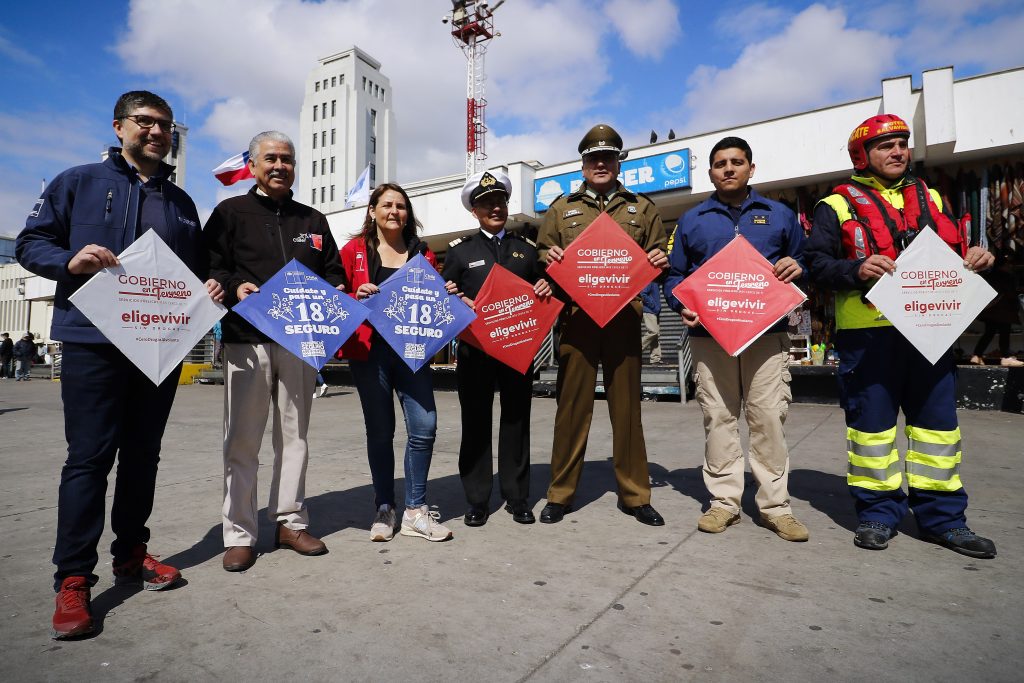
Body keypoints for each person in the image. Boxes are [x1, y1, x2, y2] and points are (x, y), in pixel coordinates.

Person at [16, 90, 224, 639]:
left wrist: (209, 284)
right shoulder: (78, 182)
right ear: (119, 127)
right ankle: (74, 578)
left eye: (165, 126)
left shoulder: (181, 203)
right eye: (145, 122)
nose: (156, 132)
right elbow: (30, 243)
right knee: (88, 458)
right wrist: (68, 261)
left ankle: (131, 552)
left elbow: (196, 269)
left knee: (143, 455)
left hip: (158, 344)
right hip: (92, 340)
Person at [805, 114, 997, 558]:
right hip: (869, 339)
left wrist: (975, 257)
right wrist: (855, 268)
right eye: (884, 146)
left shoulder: (931, 197)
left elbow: (953, 254)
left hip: (931, 329)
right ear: (863, 155)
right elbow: (815, 264)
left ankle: (944, 521)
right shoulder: (834, 205)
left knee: (938, 432)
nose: (896, 152)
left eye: (901, 144)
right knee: (871, 433)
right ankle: (877, 513)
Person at [206, 131, 344, 572]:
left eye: (287, 158)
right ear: (253, 163)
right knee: (242, 440)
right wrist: (232, 287)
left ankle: (289, 521)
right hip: (248, 339)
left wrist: (338, 289)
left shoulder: (313, 220)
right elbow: (210, 267)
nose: (280, 165)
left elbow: (334, 271)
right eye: (271, 158)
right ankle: (240, 534)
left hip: (301, 341)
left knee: (295, 437)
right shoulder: (231, 212)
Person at [663, 136, 809, 542]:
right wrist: (681, 306)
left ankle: (776, 507)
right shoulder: (692, 220)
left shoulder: (779, 215)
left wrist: (796, 266)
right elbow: (674, 277)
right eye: (720, 163)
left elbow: (805, 262)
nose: (728, 168)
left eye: (737, 162)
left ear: (751, 168)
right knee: (719, 416)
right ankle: (724, 503)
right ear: (710, 172)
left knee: (767, 418)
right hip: (710, 336)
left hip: (767, 335)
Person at [536, 124, 668, 526]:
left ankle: (635, 494)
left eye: (608, 157)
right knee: (571, 409)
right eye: (593, 158)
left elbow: (657, 254)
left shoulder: (641, 208)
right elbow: (543, 252)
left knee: (627, 411)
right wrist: (549, 256)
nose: (600, 164)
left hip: (624, 320)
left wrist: (660, 261)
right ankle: (560, 493)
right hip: (577, 321)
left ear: (617, 162)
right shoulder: (561, 209)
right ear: (583, 163)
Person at [338, 183, 452, 542]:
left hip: (411, 351)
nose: (394, 211)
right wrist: (355, 294)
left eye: (401, 206)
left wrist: (446, 294)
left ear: (408, 214)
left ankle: (416, 510)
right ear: (372, 211)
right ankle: (385, 508)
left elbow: (432, 302)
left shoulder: (423, 253)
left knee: (425, 425)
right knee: (380, 430)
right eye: (386, 205)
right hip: (370, 353)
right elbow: (335, 294)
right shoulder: (353, 250)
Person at [442, 170, 552, 527]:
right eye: (487, 203)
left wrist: (544, 288)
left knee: (516, 421)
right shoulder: (460, 252)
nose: (495, 207)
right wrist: (457, 299)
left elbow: (543, 288)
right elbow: (449, 301)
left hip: (518, 349)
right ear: (474, 210)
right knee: (475, 423)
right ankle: (476, 499)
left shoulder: (526, 249)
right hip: (475, 352)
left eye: (500, 201)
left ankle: (517, 497)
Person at [969, 259, 1022, 367]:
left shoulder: (990, 275)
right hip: (1004, 310)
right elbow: (1011, 294)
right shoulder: (1006, 276)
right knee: (1004, 332)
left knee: (989, 333)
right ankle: (1006, 356)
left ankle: (977, 355)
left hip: (990, 310)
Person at [640, 282, 663, 364]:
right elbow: (643, 294)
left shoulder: (656, 282)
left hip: (654, 311)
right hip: (649, 311)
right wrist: (653, 306)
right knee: (653, 332)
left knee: (656, 335)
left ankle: (655, 358)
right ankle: (635, 350)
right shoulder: (651, 281)